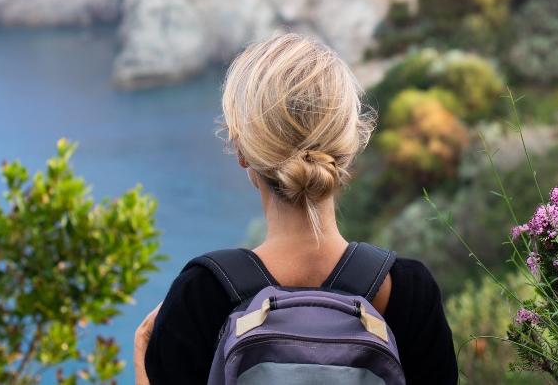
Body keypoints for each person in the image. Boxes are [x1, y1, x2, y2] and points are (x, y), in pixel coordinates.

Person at [133, 33, 457, 383]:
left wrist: (142, 353)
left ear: (242, 149)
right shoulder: (408, 292)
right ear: (348, 146)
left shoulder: (201, 295)